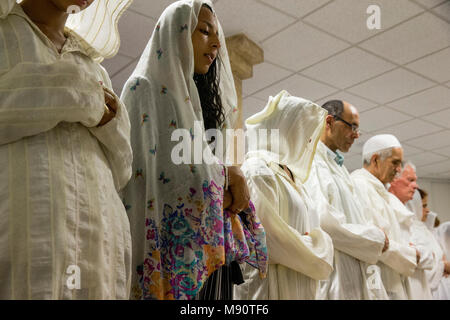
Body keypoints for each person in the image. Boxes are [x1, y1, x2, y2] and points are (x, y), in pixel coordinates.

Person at [121, 0, 267, 300]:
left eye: (217, 35)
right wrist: (225, 178)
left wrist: (226, 176)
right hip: (169, 259)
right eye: (204, 31)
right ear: (176, 32)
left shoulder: (198, 107)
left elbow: (202, 174)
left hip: (209, 259)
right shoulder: (142, 89)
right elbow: (145, 183)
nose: (216, 43)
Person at [0, 0, 133, 299]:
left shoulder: (94, 68)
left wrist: (111, 122)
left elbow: (123, 168)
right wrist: (79, 93)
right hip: (22, 245)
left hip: (97, 248)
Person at [234, 90, 334, 300]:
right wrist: (319, 245)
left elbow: (309, 233)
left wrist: (311, 242)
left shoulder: (295, 180)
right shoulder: (257, 169)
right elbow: (267, 239)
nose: (308, 142)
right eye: (304, 133)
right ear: (285, 130)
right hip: (268, 290)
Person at [305, 100, 388, 300]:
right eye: (352, 127)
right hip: (337, 278)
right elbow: (325, 223)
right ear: (329, 122)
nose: (356, 135)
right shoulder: (313, 162)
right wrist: (375, 237)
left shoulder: (340, 168)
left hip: (355, 274)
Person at [351, 135, 418, 299]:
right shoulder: (358, 186)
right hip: (376, 282)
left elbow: (388, 241)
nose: (398, 169)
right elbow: (376, 243)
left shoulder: (383, 194)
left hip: (393, 281)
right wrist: (408, 254)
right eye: (395, 162)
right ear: (375, 160)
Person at [389, 162, 440, 299]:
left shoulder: (409, 218)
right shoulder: (387, 211)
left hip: (420, 288)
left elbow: (429, 257)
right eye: (410, 180)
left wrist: (417, 255)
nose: (416, 186)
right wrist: (415, 254)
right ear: (393, 179)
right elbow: (396, 254)